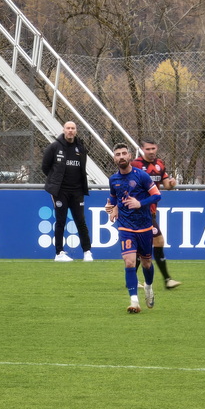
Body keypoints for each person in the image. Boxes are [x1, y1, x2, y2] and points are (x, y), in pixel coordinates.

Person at [105, 143, 161, 313]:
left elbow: (157, 196)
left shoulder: (141, 176)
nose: (121, 156)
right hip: (125, 227)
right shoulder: (113, 179)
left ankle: (149, 287)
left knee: (146, 263)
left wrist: (139, 203)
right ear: (114, 158)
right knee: (129, 262)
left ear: (129, 156)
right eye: (117, 154)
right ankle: (134, 301)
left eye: (123, 153)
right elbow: (114, 197)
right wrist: (111, 207)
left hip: (144, 226)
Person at [132, 139, 182, 289]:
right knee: (158, 241)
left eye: (153, 148)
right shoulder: (136, 165)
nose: (151, 151)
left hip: (151, 212)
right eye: (148, 149)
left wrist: (172, 184)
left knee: (145, 246)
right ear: (142, 149)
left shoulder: (159, 164)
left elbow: (167, 185)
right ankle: (167, 279)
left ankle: (133, 279)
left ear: (157, 148)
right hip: (139, 211)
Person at [41, 120, 93, 262]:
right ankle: (59, 253)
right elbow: (45, 167)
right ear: (64, 130)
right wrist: (55, 182)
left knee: (80, 221)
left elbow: (82, 168)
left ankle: (87, 252)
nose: (70, 130)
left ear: (76, 131)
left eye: (73, 128)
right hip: (60, 191)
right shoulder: (54, 147)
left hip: (77, 191)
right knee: (61, 221)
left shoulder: (81, 148)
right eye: (68, 128)